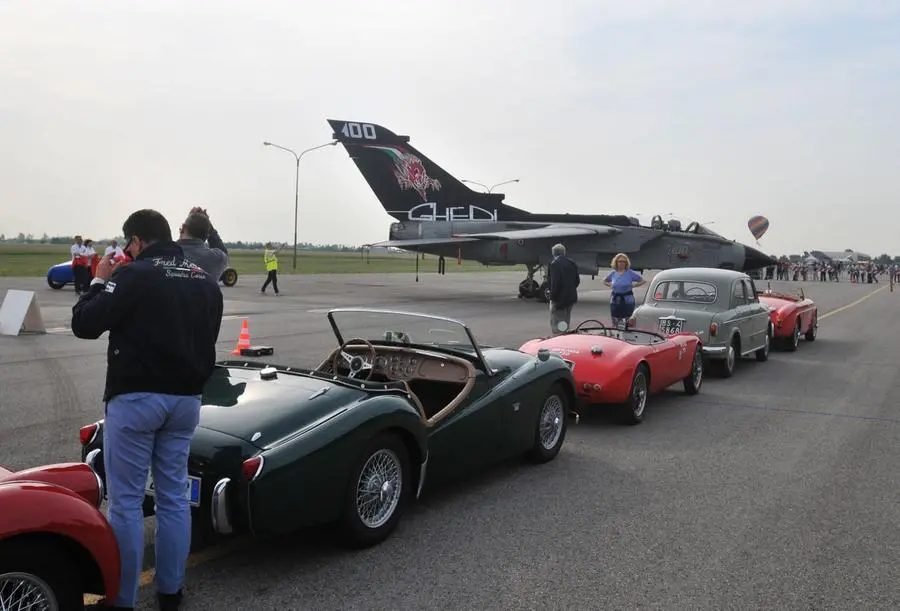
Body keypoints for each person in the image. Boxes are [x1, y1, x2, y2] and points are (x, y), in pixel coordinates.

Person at [73, 209, 223, 611]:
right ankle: (171, 592)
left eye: (129, 244)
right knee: (174, 497)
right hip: (186, 400)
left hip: (137, 399)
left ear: (137, 241)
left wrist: (100, 279)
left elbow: (85, 323)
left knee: (126, 502)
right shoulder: (204, 281)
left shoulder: (133, 275)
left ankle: (123, 599)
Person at [176, 207, 229, 281]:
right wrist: (208, 226)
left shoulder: (167, 254)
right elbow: (224, 253)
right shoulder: (216, 258)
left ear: (183, 229)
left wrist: (191, 219)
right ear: (207, 235)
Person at [604, 253, 646, 329]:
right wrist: (611, 285)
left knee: (627, 321)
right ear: (616, 262)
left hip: (628, 300)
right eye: (619, 261)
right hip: (615, 300)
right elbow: (604, 281)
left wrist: (634, 285)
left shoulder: (630, 273)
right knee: (615, 321)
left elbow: (642, 280)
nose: (621, 263)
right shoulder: (613, 273)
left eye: (623, 261)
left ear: (626, 263)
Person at [547, 243, 580, 334]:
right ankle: (565, 334)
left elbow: (555, 283)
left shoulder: (554, 264)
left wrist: (553, 297)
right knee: (565, 320)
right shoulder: (571, 262)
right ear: (564, 253)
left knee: (558, 322)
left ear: (553, 253)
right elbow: (577, 280)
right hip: (571, 297)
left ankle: (561, 338)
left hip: (559, 299)